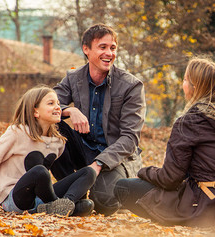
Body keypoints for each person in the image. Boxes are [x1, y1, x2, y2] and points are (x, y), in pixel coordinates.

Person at [113, 58, 215, 227]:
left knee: (123, 187)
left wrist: (144, 172)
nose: (183, 84)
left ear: (194, 87)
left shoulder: (190, 121)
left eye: (184, 80)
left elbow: (170, 178)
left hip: (205, 209)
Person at [0, 85, 96, 217]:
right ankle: (55, 206)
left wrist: (73, 193)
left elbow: (63, 173)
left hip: (41, 198)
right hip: (15, 198)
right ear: (35, 111)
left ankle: (65, 204)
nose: (58, 107)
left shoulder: (58, 142)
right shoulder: (17, 132)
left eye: (58, 103)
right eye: (51, 103)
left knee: (89, 172)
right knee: (39, 171)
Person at [50, 23, 146, 216]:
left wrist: (97, 165)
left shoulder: (131, 86)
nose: (109, 53)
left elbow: (129, 139)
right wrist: (69, 111)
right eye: (103, 47)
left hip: (115, 157)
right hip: (83, 150)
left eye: (113, 48)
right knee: (51, 123)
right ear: (86, 49)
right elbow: (44, 102)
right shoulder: (73, 78)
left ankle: (85, 194)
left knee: (102, 201)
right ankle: (73, 191)